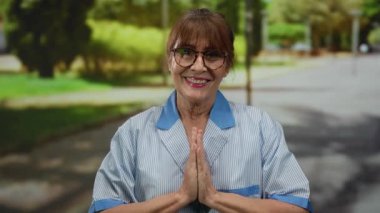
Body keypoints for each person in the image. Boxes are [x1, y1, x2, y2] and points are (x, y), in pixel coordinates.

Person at [89, 8, 312, 213]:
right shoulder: (134, 133)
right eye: (186, 52)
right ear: (169, 60)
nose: (198, 66)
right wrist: (179, 197)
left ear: (227, 65)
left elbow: (296, 207)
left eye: (212, 55)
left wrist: (215, 198)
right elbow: (104, 208)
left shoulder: (261, 127)